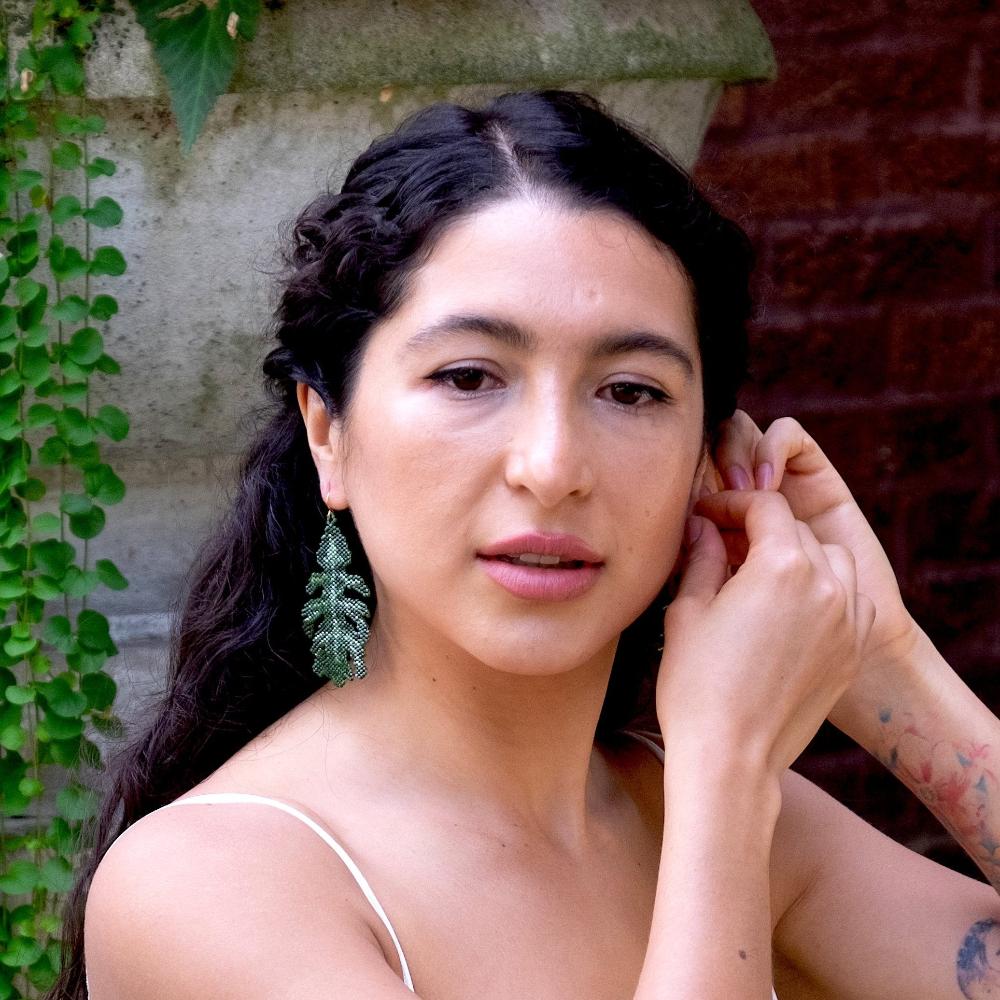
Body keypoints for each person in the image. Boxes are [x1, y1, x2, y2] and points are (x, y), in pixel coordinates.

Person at [56, 89, 998, 999]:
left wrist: (886, 662)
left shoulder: (699, 801)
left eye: (631, 390)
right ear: (328, 434)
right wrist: (728, 791)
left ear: (707, 462)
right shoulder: (215, 884)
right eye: (470, 377)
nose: (552, 467)